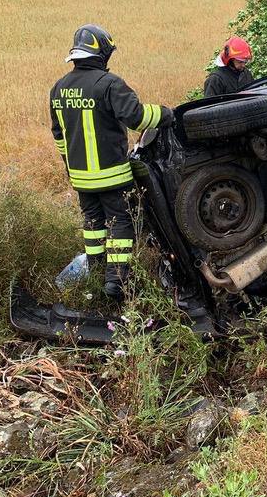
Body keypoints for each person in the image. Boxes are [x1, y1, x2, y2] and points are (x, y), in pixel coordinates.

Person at [50, 24, 175, 299]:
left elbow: (59, 135)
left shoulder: (59, 88)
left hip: (81, 177)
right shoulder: (110, 84)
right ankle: (116, 282)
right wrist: (167, 114)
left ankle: (96, 272)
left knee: (93, 224)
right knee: (120, 223)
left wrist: (70, 167)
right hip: (112, 175)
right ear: (102, 52)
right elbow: (137, 118)